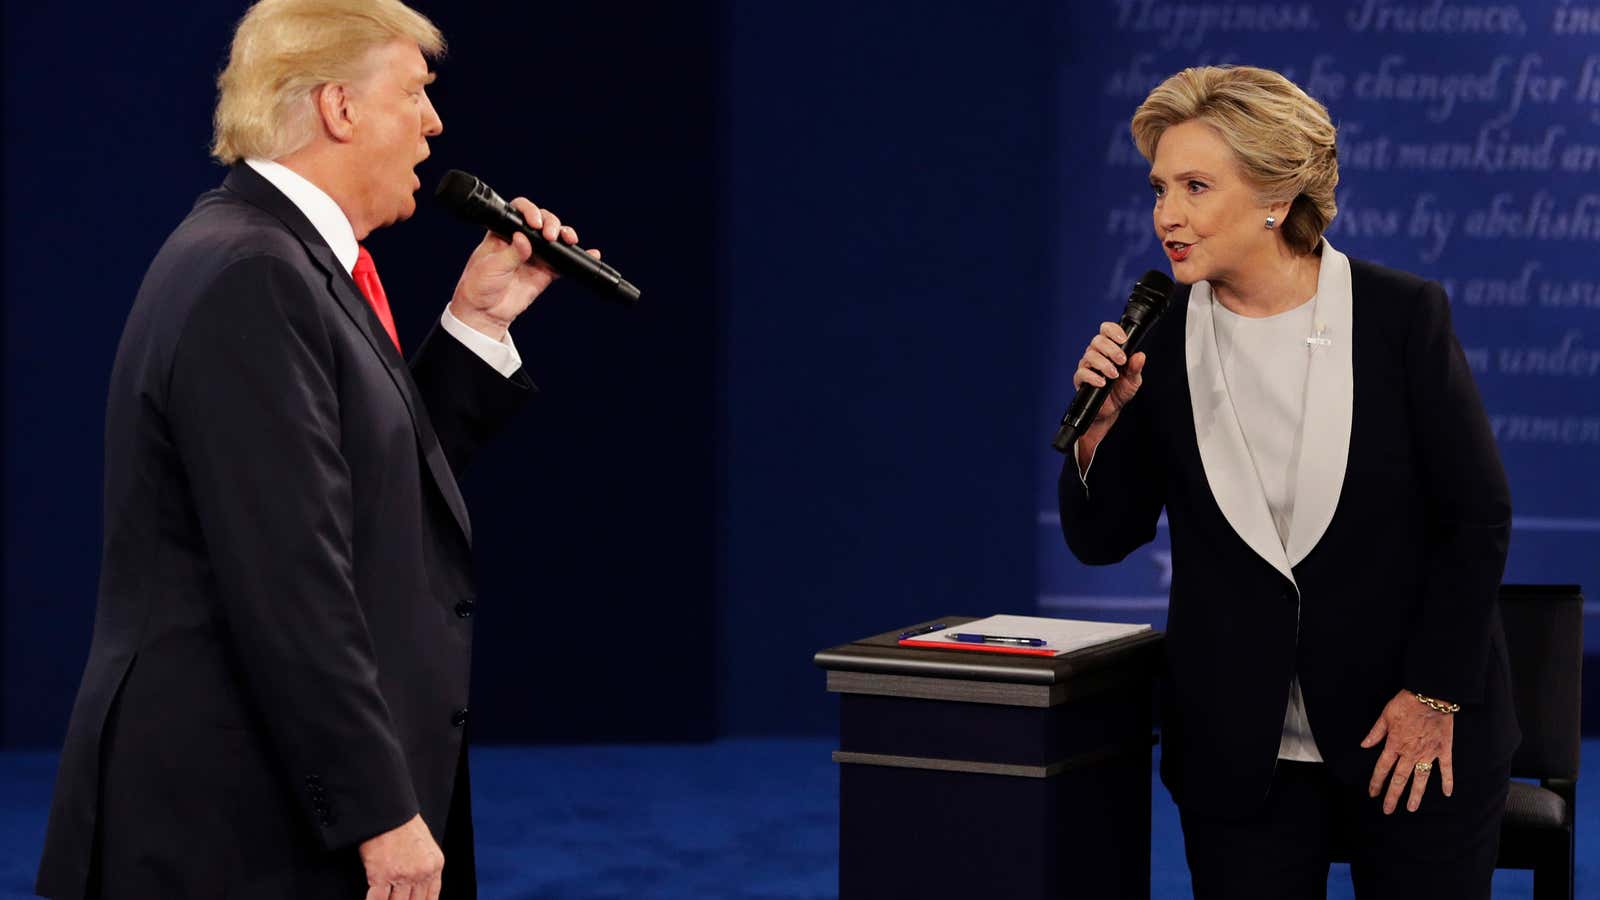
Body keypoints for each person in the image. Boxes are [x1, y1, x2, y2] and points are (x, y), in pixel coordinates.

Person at [34, 1, 599, 897]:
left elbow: (367, 491)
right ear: (340, 108)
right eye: (415, 91)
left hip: (266, 805)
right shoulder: (252, 274)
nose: (434, 122)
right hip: (235, 828)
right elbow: (288, 577)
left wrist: (476, 321)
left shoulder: (275, 257)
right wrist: (380, 810)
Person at [1058, 65, 1517, 898]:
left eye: (1196, 186)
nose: (1168, 213)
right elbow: (1101, 539)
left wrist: (1434, 696)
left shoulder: (1400, 317)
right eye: (1160, 187)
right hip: (1238, 746)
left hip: (1406, 730)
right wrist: (1097, 429)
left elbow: (1476, 518)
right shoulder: (1154, 346)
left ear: (1276, 194)